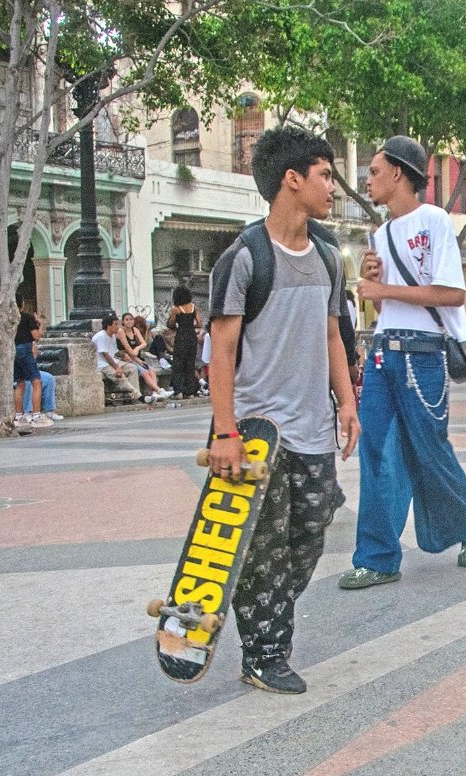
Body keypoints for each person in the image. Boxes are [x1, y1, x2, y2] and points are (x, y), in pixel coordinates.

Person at [205, 125, 360, 695]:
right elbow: (221, 353)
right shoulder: (243, 259)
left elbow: (333, 337)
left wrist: (347, 402)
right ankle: (265, 652)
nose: (332, 187)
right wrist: (226, 433)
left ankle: (259, 615)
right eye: (325, 175)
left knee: (311, 533)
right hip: (258, 432)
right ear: (291, 180)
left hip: (314, 428)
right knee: (265, 544)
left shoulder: (325, 257)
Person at [344, 135, 466, 589]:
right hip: (382, 352)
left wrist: (382, 290)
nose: (366, 180)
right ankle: (378, 557)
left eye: (373, 171)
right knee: (375, 452)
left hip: (422, 354)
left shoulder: (434, 221)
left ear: (398, 173)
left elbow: (452, 293)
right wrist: (369, 287)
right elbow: (381, 306)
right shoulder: (381, 233)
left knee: (430, 450)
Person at [12, 309, 52, 427]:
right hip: (25, 348)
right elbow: (36, 336)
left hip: (14, 350)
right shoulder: (27, 317)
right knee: (36, 381)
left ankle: (19, 416)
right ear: (22, 304)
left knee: (20, 383)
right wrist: (40, 325)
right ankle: (36, 416)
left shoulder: (10, 318)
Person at [119, 312, 169, 402]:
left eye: (131, 319)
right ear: (123, 322)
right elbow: (129, 350)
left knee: (152, 370)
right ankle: (160, 390)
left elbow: (144, 343)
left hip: (136, 358)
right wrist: (135, 355)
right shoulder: (121, 332)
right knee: (144, 372)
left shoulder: (135, 330)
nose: (129, 321)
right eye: (126, 320)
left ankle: (154, 393)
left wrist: (137, 348)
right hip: (127, 359)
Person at [94, 313, 141, 402]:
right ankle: (139, 396)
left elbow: (114, 352)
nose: (118, 327)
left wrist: (123, 355)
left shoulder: (112, 336)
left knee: (132, 368)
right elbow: (106, 356)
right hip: (103, 364)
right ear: (109, 326)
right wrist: (117, 368)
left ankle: (132, 397)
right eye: (116, 324)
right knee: (120, 375)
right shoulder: (101, 336)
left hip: (114, 361)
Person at [168, 285, 203, 398]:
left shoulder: (176, 309)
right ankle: (190, 391)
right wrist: (190, 325)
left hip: (181, 336)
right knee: (190, 363)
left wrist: (179, 324)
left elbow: (171, 324)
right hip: (192, 336)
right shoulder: (194, 307)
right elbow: (199, 323)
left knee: (178, 363)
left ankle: (179, 390)